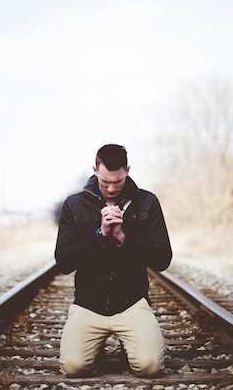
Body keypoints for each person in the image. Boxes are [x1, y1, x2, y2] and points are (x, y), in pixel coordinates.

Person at [54, 143, 173, 377]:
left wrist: (122, 237)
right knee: (72, 366)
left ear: (127, 170)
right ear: (95, 169)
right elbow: (63, 262)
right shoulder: (74, 204)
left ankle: (127, 346)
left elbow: (163, 259)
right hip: (88, 305)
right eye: (105, 181)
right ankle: (94, 349)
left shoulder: (147, 202)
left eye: (117, 182)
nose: (110, 188)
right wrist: (99, 234)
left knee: (150, 366)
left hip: (132, 303)